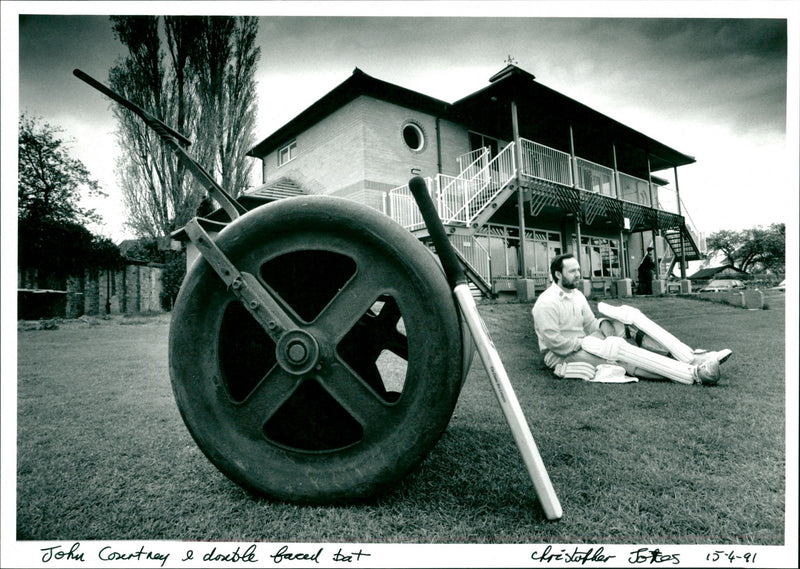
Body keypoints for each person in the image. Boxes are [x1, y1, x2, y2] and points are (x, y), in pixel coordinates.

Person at [531, 253, 732, 385]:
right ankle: (694, 374)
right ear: (558, 274)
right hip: (561, 354)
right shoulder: (546, 302)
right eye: (572, 271)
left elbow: (590, 323)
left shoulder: (577, 295)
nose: (578, 274)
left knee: (629, 321)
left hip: (585, 342)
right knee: (618, 355)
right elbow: (554, 342)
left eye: (578, 270)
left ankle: (690, 356)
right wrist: (589, 342)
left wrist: (606, 327)